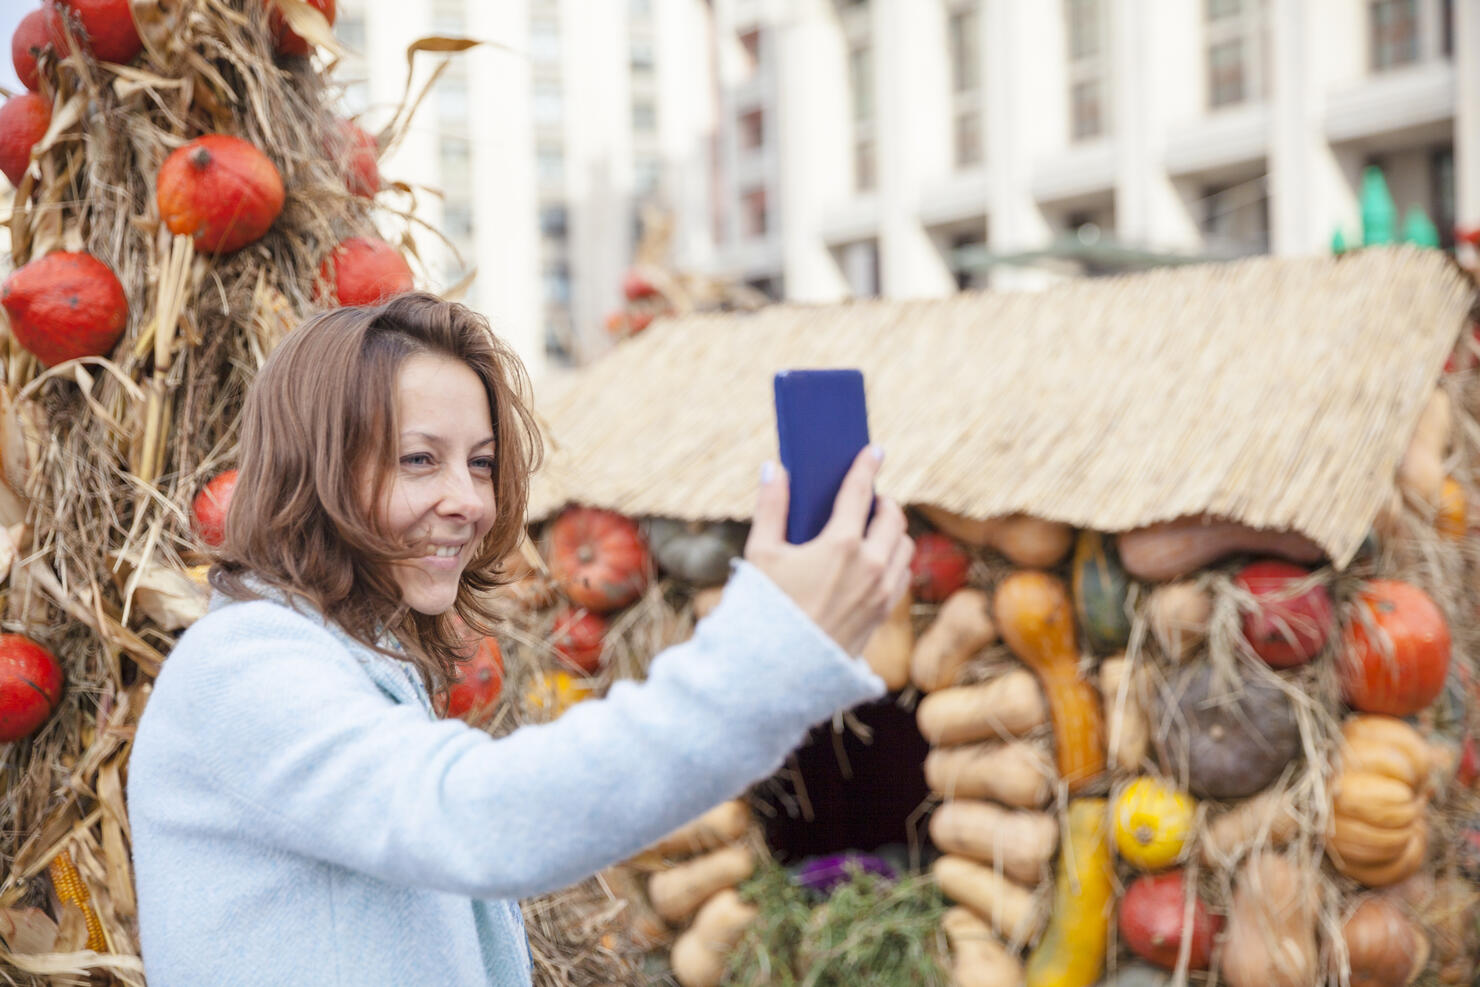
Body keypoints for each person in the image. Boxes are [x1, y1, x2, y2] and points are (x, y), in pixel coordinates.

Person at [127, 292, 913, 986]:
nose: (468, 500)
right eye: (419, 460)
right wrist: (769, 651)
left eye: (481, 463)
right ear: (313, 469)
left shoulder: (359, 668)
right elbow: (483, 818)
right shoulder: (244, 664)